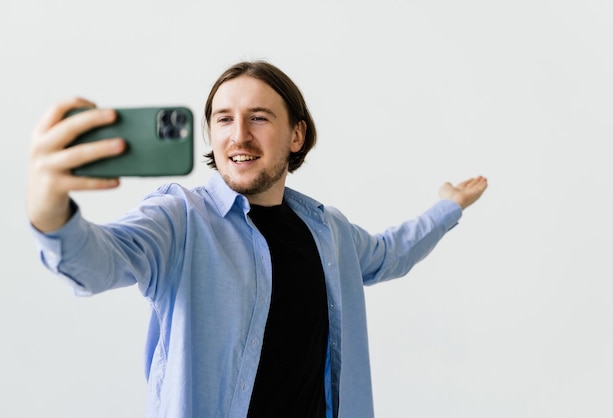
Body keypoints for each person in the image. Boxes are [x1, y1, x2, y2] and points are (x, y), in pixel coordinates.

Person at [27, 60, 488, 418]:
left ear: (296, 135)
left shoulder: (329, 231)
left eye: (259, 118)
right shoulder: (180, 218)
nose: (238, 135)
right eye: (223, 119)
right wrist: (50, 207)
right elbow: (97, 263)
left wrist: (448, 207)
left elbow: (392, 252)